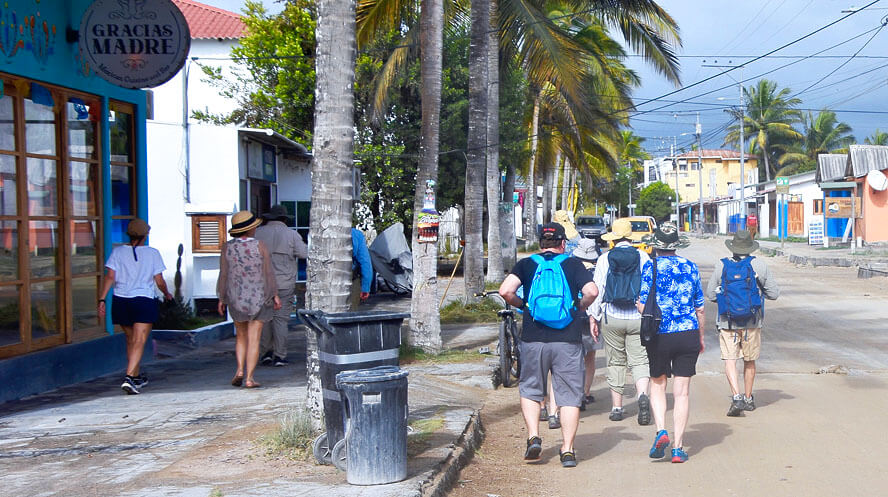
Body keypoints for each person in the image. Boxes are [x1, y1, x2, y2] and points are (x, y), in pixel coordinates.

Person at [499, 223, 598, 468]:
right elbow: (592, 291)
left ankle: (533, 436)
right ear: (563, 243)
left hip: (534, 338)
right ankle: (567, 450)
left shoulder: (526, 264)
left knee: (532, 389)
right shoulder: (573, 264)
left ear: (541, 243)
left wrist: (524, 306)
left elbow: (505, 291)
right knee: (569, 395)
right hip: (567, 339)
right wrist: (578, 308)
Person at [637, 222, 705, 464]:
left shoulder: (650, 267)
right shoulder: (690, 266)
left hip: (659, 334)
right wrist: (700, 337)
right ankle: (678, 448)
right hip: (688, 332)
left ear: (656, 245)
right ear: (676, 245)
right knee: (682, 392)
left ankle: (661, 431)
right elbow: (700, 307)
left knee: (658, 384)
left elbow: (642, 304)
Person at [705, 230, 780, 416]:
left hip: (727, 321)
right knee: (749, 360)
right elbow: (774, 294)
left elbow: (711, 295)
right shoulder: (759, 265)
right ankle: (748, 398)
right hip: (752, 321)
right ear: (750, 247)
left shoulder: (721, 266)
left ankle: (736, 396)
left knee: (730, 360)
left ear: (733, 247)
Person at [99, 219, 173, 395]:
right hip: (143, 299)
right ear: (145, 235)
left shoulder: (117, 252)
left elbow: (110, 276)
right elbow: (159, 280)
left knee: (131, 340)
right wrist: (167, 294)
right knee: (139, 340)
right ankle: (129, 377)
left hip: (121, 300)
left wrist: (102, 299)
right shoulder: (153, 253)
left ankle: (137, 376)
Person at [590, 218, 652, 425]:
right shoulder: (643, 256)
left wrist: (593, 316)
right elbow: (649, 288)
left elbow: (598, 289)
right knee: (640, 360)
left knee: (615, 361)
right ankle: (642, 395)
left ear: (613, 239)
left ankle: (617, 407)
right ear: (630, 236)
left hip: (612, 316)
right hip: (637, 317)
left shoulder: (605, 259)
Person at [217, 211, 281, 389]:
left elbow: (223, 274)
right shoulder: (260, 245)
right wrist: (274, 294)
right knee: (254, 338)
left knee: (241, 337)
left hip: (235, 296)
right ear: (251, 228)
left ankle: (239, 369)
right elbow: (268, 272)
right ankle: (250, 378)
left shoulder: (227, 247)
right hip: (258, 296)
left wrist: (221, 297)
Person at [255, 205, 308, 367]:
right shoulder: (292, 235)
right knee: (280, 321)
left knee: (265, 319)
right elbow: (304, 254)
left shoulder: (258, 233)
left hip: (262, 284)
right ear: (284, 219)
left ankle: (266, 353)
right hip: (283, 284)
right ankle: (279, 355)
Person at [572, 238, 602, 411]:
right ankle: (586, 392)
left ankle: (575, 393)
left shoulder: (570, 266)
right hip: (591, 316)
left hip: (572, 315)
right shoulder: (597, 268)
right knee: (589, 357)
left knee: (573, 357)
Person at [351, 227, 373, 309]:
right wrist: (365, 287)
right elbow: (365, 262)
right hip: (350, 280)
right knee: (349, 316)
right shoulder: (355, 234)